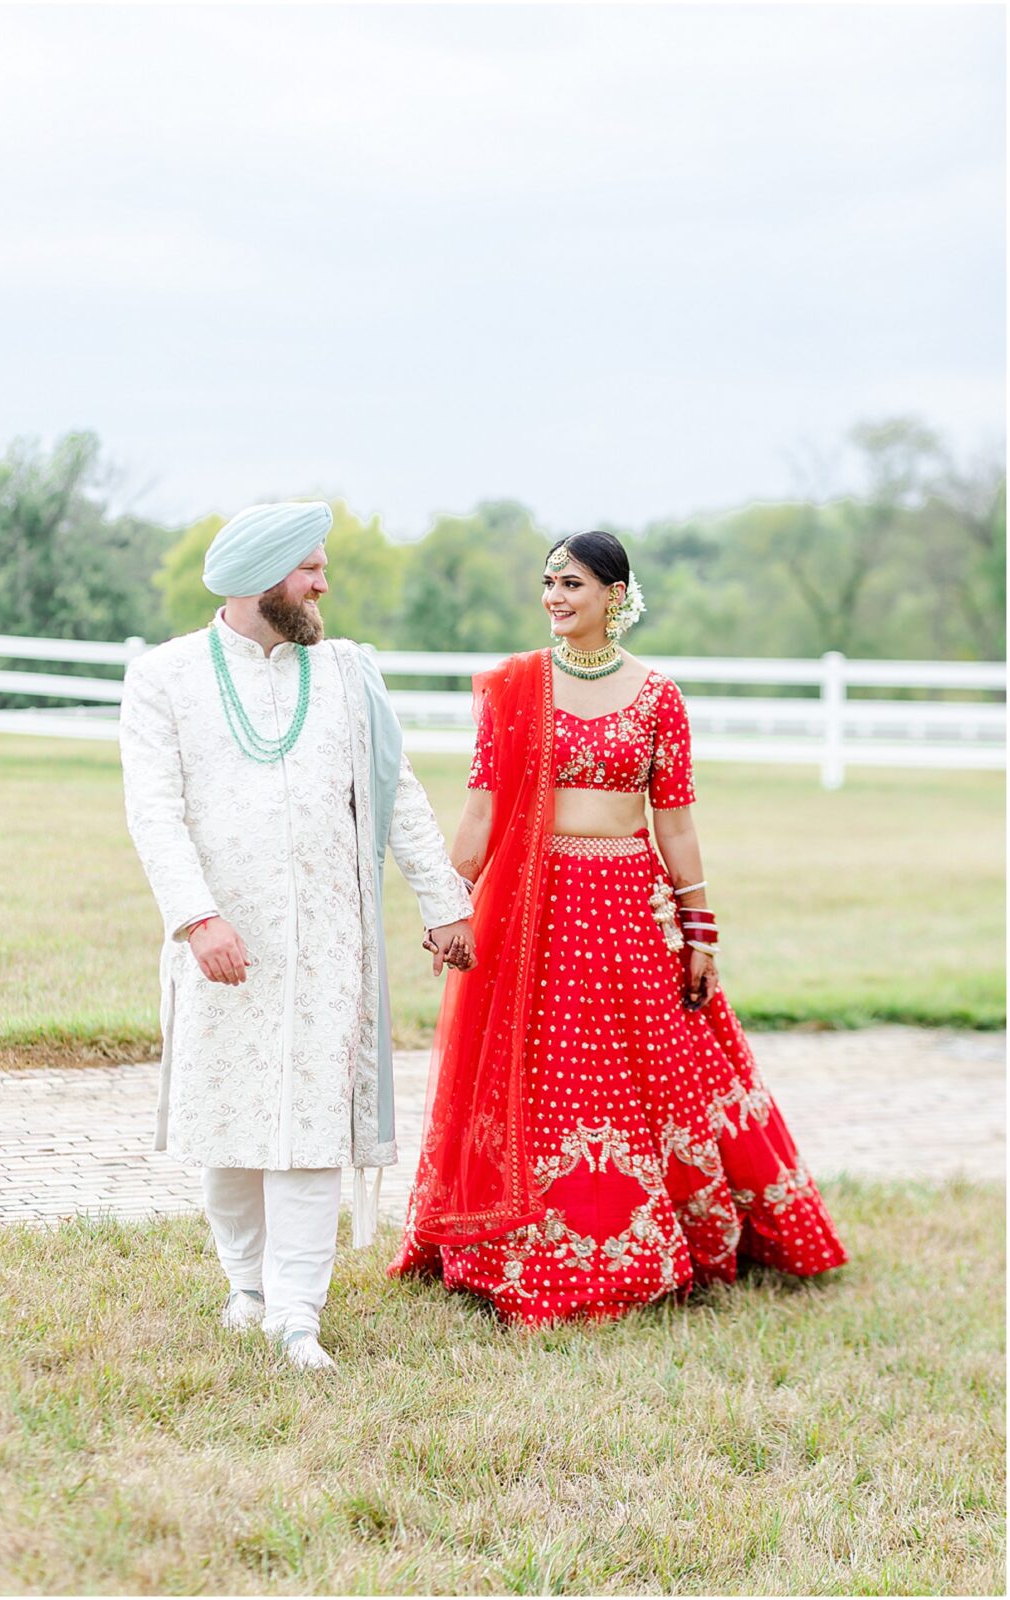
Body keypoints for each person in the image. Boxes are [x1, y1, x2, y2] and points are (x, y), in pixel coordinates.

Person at [390, 530, 847, 1324]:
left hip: (630, 907)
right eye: (547, 583)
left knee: (653, 1068)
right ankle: (516, 1241)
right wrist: (449, 906)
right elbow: (480, 810)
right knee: (536, 1064)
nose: (554, 597)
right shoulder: (512, 688)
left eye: (571, 584)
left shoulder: (657, 695)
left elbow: (674, 825)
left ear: (614, 594)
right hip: (533, 907)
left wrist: (700, 932)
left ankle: (655, 1237)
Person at [120, 501, 474, 1370]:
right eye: (309, 568)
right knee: (229, 1119)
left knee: (311, 1123)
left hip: (327, 941)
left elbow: (398, 797)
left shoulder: (349, 674)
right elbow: (154, 814)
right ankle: (246, 1287)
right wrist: (198, 919)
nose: (324, 583)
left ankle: (297, 1313)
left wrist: (443, 902)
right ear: (259, 580)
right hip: (220, 944)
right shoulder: (166, 677)